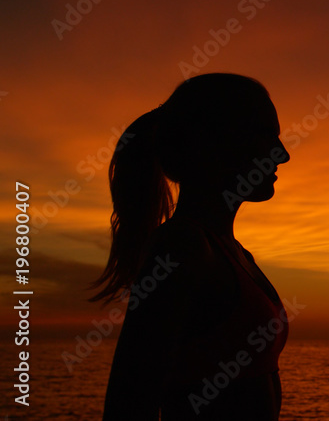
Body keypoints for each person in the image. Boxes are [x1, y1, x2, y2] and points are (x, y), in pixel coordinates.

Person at [92, 73, 292, 420]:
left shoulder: (231, 251)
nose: (283, 154)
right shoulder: (183, 248)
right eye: (265, 136)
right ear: (218, 141)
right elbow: (128, 402)